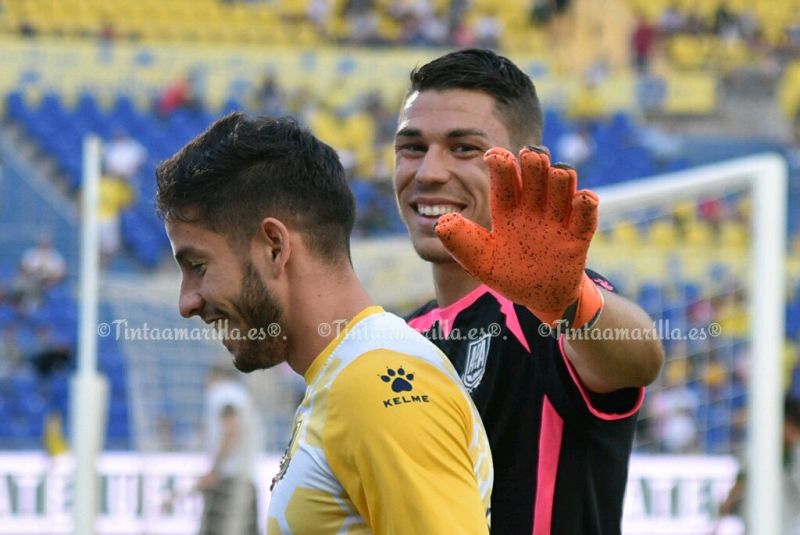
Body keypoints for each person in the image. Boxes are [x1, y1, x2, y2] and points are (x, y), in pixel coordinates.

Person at [156, 112, 493, 534]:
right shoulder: (345, 375)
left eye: (198, 265)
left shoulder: (374, 385)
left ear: (274, 247)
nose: (187, 302)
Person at [393, 48, 665, 534]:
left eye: (464, 148)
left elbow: (640, 357)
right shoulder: (401, 338)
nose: (429, 172)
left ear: (521, 171)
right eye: (412, 147)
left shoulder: (548, 309)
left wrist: (569, 303)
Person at [716, 394, 800, 534]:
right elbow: (738, 487)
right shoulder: (756, 453)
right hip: (755, 526)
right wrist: (720, 518)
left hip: (787, 526)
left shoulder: (796, 455)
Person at [195, 362, 261, 535]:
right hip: (246, 476)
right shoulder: (243, 395)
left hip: (227, 479)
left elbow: (231, 428)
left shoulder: (223, 393)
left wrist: (215, 470)